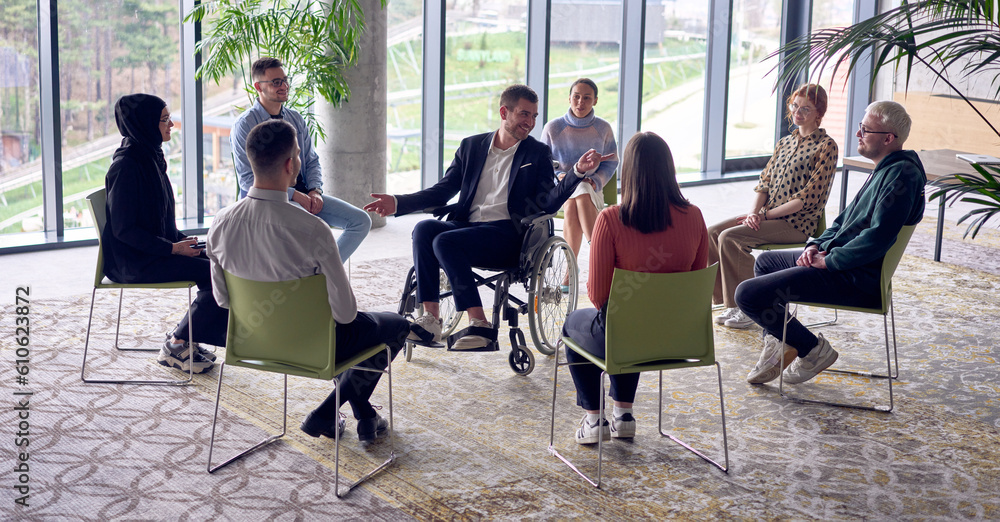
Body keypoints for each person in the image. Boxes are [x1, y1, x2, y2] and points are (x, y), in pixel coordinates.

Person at [365, 84, 614, 351]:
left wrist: (576, 172)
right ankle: (430, 319)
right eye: (523, 115)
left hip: (509, 235)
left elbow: (549, 201)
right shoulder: (472, 146)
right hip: (468, 228)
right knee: (425, 229)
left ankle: (480, 324)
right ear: (504, 112)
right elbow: (443, 191)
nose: (529, 123)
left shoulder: (537, 153)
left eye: (534, 117)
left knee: (445, 243)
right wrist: (399, 202)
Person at [208, 119, 408, 442]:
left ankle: (363, 414)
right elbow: (345, 314)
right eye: (298, 154)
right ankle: (326, 413)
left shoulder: (219, 223)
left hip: (251, 341)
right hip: (313, 346)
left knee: (353, 335)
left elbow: (223, 301)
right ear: (290, 165)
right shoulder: (313, 230)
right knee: (395, 326)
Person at [736, 101, 926, 385]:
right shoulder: (885, 168)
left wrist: (829, 260)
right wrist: (815, 245)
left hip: (856, 277)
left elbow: (878, 237)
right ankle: (781, 338)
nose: (858, 134)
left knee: (747, 295)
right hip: (841, 262)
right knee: (766, 261)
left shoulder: (901, 175)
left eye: (865, 129)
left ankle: (812, 349)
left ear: (888, 139)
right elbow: (842, 223)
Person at [561, 132, 708, 444]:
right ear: (670, 170)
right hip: (682, 340)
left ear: (628, 172)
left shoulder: (611, 219)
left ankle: (594, 419)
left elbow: (599, 297)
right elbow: (696, 289)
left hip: (627, 339)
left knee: (579, 323)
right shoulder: (695, 217)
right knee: (632, 319)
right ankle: (623, 414)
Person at [102, 93, 226, 374]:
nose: (172, 124)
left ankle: (189, 338)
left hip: (153, 250)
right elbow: (125, 230)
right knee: (213, 274)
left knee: (220, 259)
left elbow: (158, 219)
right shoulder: (126, 166)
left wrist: (182, 241)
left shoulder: (148, 155)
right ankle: (178, 342)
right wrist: (173, 249)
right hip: (133, 262)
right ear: (145, 124)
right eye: (165, 119)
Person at [710, 84, 837, 329]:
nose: (797, 113)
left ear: (819, 113)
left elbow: (806, 198)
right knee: (711, 233)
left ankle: (746, 307)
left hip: (795, 223)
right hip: (767, 216)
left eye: (805, 109)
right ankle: (729, 302)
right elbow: (764, 183)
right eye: (794, 106)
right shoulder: (784, 143)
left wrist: (764, 215)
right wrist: (753, 214)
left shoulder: (826, 146)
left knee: (730, 238)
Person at [230, 57, 371, 262]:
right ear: (258, 87)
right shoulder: (245, 125)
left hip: (304, 193)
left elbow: (312, 161)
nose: (284, 86)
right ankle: (310, 274)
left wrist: (315, 190)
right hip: (268, 200)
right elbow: (246, 179)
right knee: (314, 229)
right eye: (276, 82)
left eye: (285, 80)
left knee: (360, 221)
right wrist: (293, 194)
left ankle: (323, 271)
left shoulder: (295, 118)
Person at [540, 78, 619, 290]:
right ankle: (600, 256)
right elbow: (543, 164)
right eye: (576, 96)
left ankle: (570, 272)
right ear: (569, 98)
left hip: (591, 189)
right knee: (574, 192)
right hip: (562, 190)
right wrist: (559, 177)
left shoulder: (603, 128)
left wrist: (596, 180)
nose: (580, 102)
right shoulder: (553, 128)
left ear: (595, 101)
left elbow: (612, 162)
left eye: (587, 98)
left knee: (581, 187)